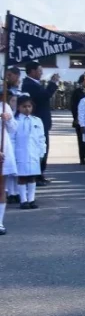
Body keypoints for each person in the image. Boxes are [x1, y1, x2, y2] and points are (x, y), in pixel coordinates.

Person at [19, 61, 59, 185]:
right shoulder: (29, 84)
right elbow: (44, 96)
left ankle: (40, 174)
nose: (41, 73)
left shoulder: (35, 83)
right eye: (39, 71)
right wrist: (52, 83)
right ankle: (36, 175)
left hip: (42, 121)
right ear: (32, 71)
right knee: (39, 149)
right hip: (37, 121)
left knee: (44, 148)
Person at [13, 96, 46, 209]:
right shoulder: (15, 121)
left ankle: (31, 199)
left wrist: (42, 151)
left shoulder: (37, 120)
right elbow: (12, 138)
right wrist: (12, 153)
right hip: (20, 152)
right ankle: (23, 200)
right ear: (18, 107)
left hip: (34, 153)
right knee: (22, 177)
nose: (27, 109)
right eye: (24, 106)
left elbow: (42, 138)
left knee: (32, 177)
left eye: (29, 106)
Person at [0, 94, 16, 233]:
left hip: (3, 149)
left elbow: (13, 129)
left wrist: (9, 118)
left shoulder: (4, 106)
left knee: (1, 187)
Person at [70, 74, 85, 163]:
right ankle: (83, 158)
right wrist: (76, 118)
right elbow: (73, 106)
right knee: (81, 138)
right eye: (84, 80)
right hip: (80, 118)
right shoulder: (77, 92)